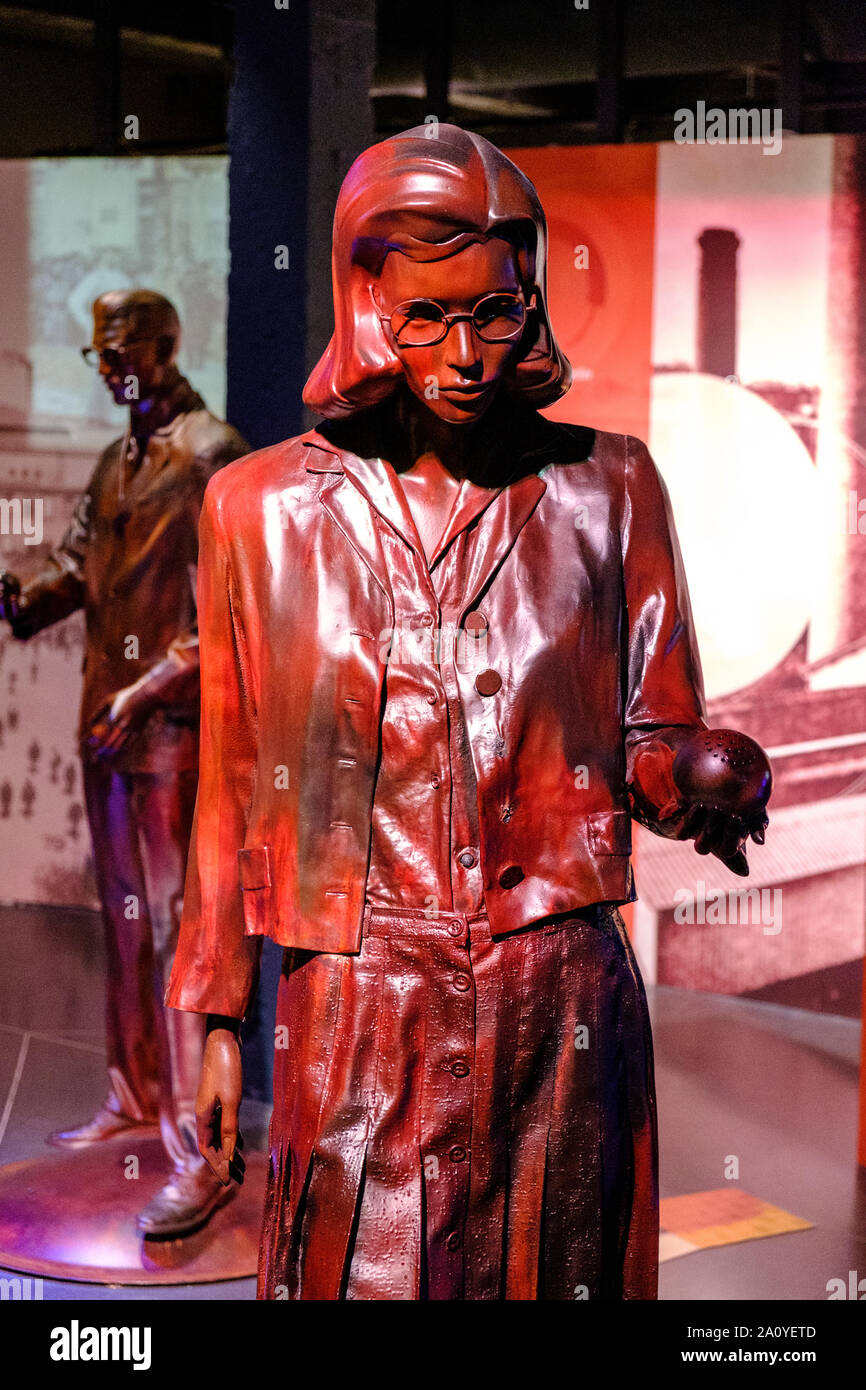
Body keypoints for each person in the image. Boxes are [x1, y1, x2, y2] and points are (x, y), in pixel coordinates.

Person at [167, 127, 770, 1298]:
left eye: (494, 314)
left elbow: (650, 735)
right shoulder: (256, 510)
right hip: (348, 1003)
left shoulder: (610, 486)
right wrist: (215, 1013)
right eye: (426, 317)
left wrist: (702, 774)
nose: (464, 355)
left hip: (554, 1005)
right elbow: (230, 780)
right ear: (365, 298)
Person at [0, 289, 249, 1237]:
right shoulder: (117, 461)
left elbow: (225, 621)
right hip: (101, 728)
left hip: (168, 735)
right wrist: (16, 595)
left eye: (120, 349)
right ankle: (134, 1095)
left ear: (162, 345)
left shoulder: (212, 453)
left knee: (180, 935)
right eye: (99, 350)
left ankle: (197, 1141)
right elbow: (75, 567)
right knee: (124, 925)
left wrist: (145, 695)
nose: (106, 365)